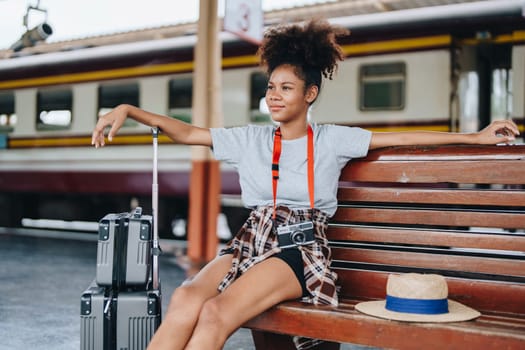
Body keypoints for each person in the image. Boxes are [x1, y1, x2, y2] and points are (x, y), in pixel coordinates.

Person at [91, 19, 519, 350]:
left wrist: (473, 137)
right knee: (186, 298)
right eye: (271, 87)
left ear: (310, 93)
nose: (274, 96)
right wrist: (128, 109)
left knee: (216, 314)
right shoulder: (250, 138)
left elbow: (404, 138)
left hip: (299, 249)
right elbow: (186, 133)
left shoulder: (332, 139)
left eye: (287, 88)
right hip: (249, 239)